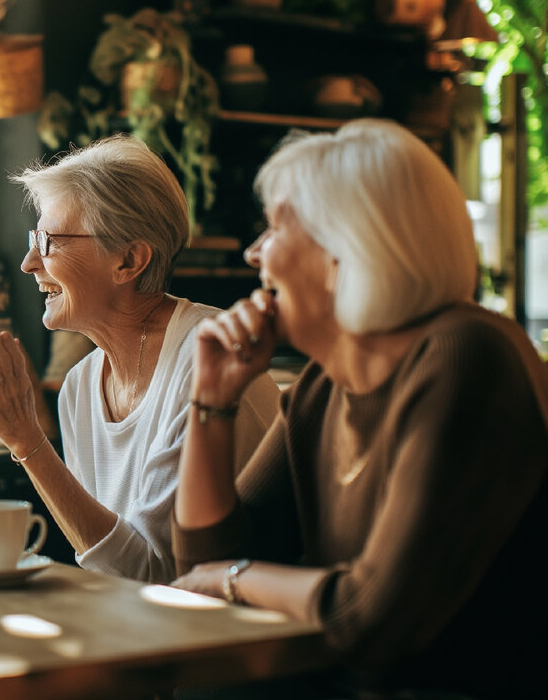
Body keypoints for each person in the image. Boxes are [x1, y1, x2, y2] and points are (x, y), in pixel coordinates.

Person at [171, 119, 548, 699]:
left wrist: (232, 580)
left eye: (274, 228)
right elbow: (204, 564)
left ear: (343, 250)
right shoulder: (322, 387)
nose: (253, 253)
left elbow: (368, 621)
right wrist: (211, 401)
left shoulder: (465, 355)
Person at [0, 135, 279, 583]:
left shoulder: (211, 359)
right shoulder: (80, 387)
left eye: (48, 241)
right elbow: (106, 566)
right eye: (33, 238)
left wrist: (28, 443)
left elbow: (156, 575)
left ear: (128, 260)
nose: (28, 262)